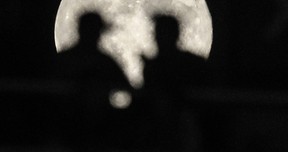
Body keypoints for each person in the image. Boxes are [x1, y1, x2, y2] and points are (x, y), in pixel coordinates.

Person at [54, 12, 133, 151]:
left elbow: (126, 88)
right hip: (68, 124)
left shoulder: (65, 60)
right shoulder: (106, 63)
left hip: (98, 127)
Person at [142, 15, 207, 152]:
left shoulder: (192, 65)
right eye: (158, 33)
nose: (158, 38)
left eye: (162, 33)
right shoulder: (193, 63)